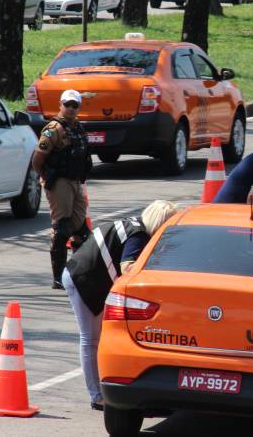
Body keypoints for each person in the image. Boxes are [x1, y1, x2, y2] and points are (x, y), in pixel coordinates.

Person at [62, 200, 180, 411]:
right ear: (159, 222)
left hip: (85, 273)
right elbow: (128, 267)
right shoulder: (139, 236)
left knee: (95, 337)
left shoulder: (134, 225)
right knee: (90, 338)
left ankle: (100, 390)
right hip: (82, 278)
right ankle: (97, 396)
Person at [32, 89, 93, 289]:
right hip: (60, 182)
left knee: (81, 230)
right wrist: (46, 177)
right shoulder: (54, 128)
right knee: (62, 228)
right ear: (60, 104)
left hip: (76, 181)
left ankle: (77, 272)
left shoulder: (78, 128)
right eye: (68, 104)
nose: (71, 108)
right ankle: (58, 277)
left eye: (75, 105)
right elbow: (37, 159)